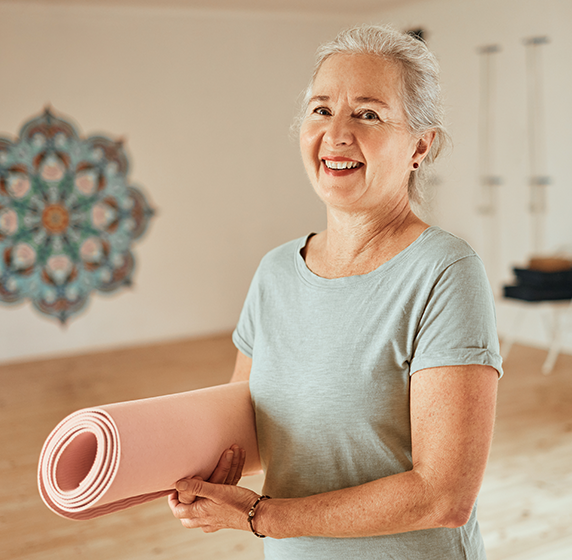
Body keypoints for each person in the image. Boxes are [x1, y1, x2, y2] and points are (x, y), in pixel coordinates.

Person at [169, 24, 503, 560]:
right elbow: (246, 432)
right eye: (321, 110)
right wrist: (181, 471)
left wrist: (260, 517)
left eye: (368, 113)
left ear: (421, 146)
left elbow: (443, 496)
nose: (337, 133)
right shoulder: (275, 271)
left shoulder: (445, 272)